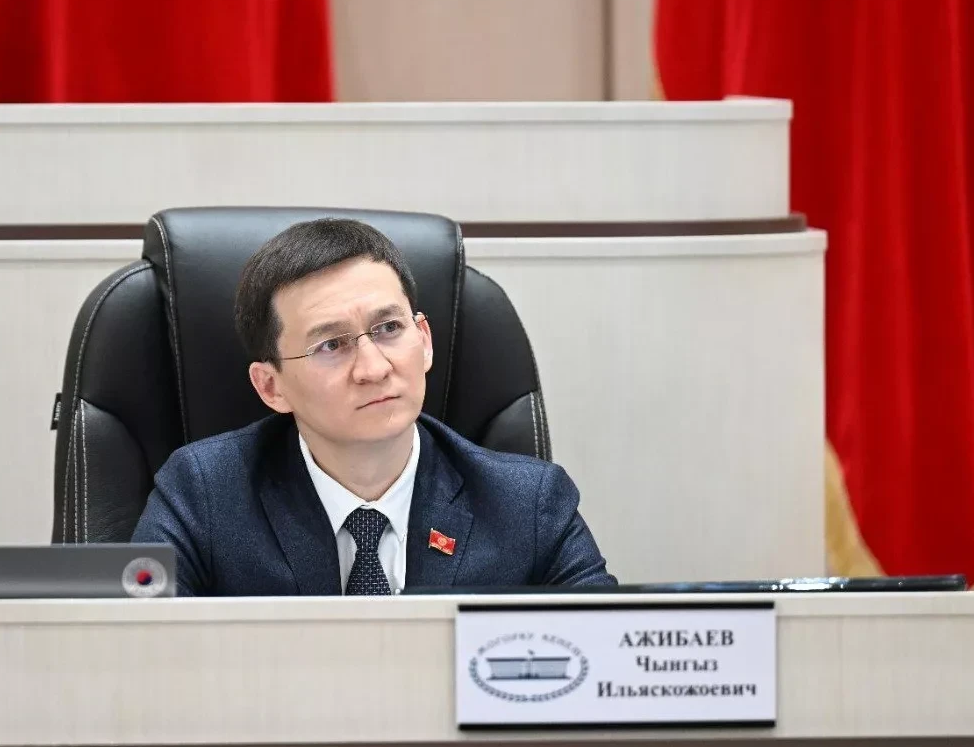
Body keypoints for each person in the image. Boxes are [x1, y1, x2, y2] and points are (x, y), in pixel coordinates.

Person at [133, 218, 614, 595]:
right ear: (271, 386)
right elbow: (129, 653)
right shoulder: (203, 494)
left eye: (389, 329)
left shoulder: (528, 504)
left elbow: (609, 656)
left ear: (424, 340)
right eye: (331, 345)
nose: (373, 368)